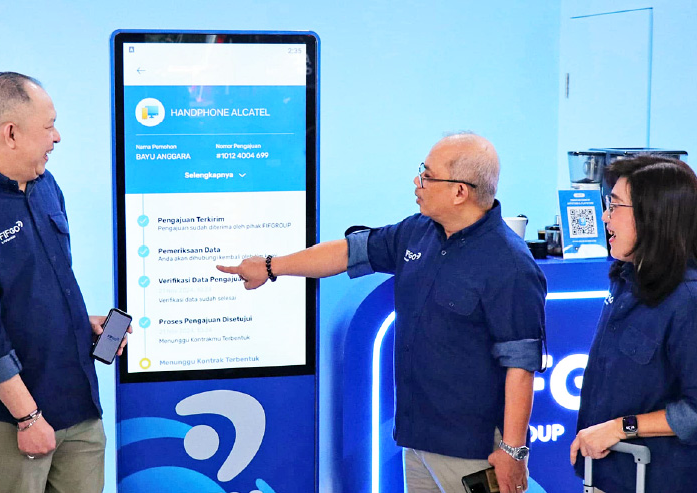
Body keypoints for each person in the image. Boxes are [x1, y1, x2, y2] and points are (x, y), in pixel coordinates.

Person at [219, 133, 545, 493]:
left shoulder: (510, 264)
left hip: (475, 451)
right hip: (418, 440)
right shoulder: (416, 232)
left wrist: (513, 451)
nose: (417, 182)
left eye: (428, 175)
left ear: (459, 192)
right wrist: (270, 266)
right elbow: (347, 252)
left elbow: (521, 366)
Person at [0, 72, 128, 493]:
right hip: (11, 421)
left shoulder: (45, 185)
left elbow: (46, 285)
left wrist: (79, 322)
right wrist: (27, 416)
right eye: (49, 126)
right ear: (11, 133)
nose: (57, 137)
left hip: (78, 404)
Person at [569, 155, 697, 493]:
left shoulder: (688, 300)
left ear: (652, 215)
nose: (605, 217)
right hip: (606, 474)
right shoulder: (626, 279)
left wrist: (620, 427)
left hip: (656, 480)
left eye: (614, 206)